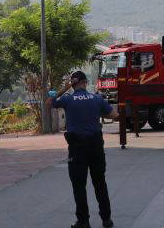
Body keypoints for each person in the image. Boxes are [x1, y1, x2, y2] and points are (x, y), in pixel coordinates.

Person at [47, 71, 118, 228]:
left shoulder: (68, 99)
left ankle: (83, 221)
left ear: (73, 84)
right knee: (100, 182)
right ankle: (106, 219)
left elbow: (49, 102)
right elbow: (114, 114)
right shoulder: (96, 98)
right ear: (85, 82)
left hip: (77, 148)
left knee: (79, 185)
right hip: (96, 146)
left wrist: (65, 88)